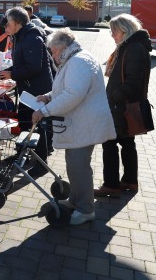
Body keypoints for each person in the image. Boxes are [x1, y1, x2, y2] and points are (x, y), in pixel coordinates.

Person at [31, 28, 115, 225]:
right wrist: (48, 97)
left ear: (62, 47)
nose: (52, 55)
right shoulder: (74, 59)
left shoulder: (78, 61)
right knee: (74, 165)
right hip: (81, 122)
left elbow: (73, 95)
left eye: (53, 51)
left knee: (79, 167)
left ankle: (86, 210)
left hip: (85, 122)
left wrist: (44, 111)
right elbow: (66, 89)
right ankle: (76, 200)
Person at [95, 14, 152, 197]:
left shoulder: (133, 48)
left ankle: (111, 184)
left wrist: (114, 96)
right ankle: (129, 180)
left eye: (114, 31)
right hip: (123, 105)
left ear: (124, 31)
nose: (112, 35)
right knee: (127, 143)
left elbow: (133, 81)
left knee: (109, 143)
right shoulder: (132, 46)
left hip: (121, 107)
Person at [0, 7, 54, 177]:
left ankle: (41, 163)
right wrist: (7, 71)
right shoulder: (20, 36)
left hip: (37, 90)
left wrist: (12, 74)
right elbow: (21, 63)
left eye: (9, 22)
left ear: (17, 22)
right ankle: (22, 152)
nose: (7, 25)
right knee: (24, 122)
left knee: (38, 126)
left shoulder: (31, 37)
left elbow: (34, 67)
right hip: (27, 88)